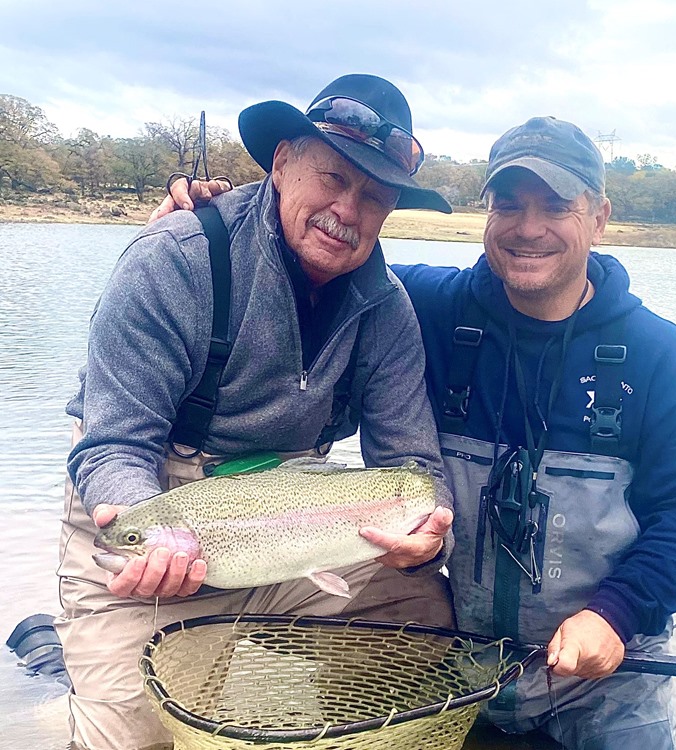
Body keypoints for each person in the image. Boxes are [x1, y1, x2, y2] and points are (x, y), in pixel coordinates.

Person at [172, 115, 676, 749]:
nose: (528, 227)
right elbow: (317, 251)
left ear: (599, 217)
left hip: (610, 677)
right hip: (460, 670)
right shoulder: (422, 307)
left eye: (556, 206)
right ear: (486, 213)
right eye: (508, 205)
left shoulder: (660, 355)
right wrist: (221, 219)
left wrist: (617, 615)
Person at [55, 73, 457, 750]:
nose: (347, 210)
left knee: (420, 617)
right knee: (132, 738)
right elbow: (112, 447)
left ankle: (327, 721)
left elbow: (414, 465)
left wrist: (431, 529)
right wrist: (138, 521)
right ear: (281, 162)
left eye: (373, 197)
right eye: (332, 178)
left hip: (299, 524)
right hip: (156, 510)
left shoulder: (387, 308)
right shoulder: (174, 260)